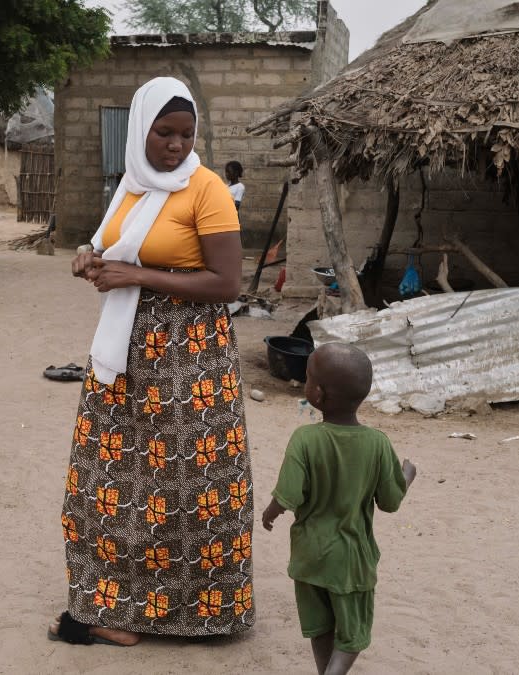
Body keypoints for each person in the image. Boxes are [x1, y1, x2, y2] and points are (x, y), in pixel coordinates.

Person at [50, 77, 252, 647]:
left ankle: (197, 612)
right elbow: (113, 242)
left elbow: (228, 282)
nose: (176, 145)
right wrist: (91, 257)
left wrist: (135, 276)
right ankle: (115, 608)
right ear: (141, 130)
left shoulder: (206, 189)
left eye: (186, 134)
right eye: (164, 133)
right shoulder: (131, 188)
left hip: (189, 363)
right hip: (124, 355)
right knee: (104, 481)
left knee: (188, 485)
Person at [262, 343, 417, 675]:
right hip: (350, 561)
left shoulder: (304, 439)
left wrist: (270, 513)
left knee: (320, 627)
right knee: (351, 636)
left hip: (309, 557)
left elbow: (287, 495)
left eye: (307, 377)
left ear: (317, 393)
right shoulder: (377, 444)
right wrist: (406, 475)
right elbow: (390, 501)